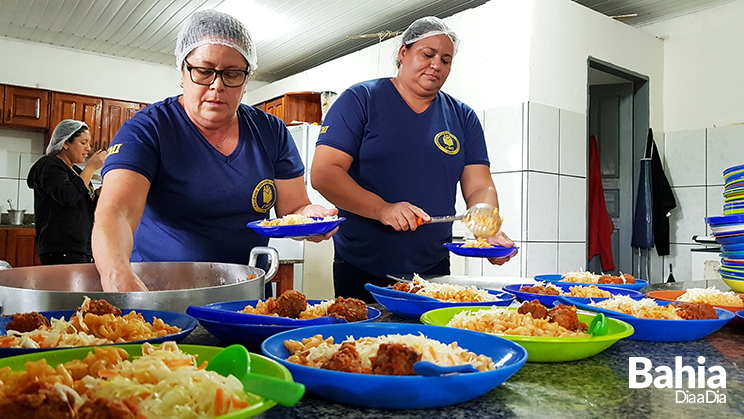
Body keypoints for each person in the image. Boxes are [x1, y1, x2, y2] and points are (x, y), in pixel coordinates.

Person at [92, 9, 336, 292]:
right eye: (204, 71)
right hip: (159, 294)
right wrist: (116, 275)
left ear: (246, 81)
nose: (217, 85)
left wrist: (311, 218)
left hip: (245, 294)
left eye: (232, 74)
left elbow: (292, 209)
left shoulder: (271, 132)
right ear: (182, 72)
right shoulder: (148, 130)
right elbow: (116, 212)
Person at [311, 16, 516, 302]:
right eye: (428, 54)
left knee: (432, 345)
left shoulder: (462, 117)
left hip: (432, 266)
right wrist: (382, 209)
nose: (436, 65)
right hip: (362, 263)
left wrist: (488, 228)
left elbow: (480, 186)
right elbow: (324, 173)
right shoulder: (361, 100)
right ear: (403, 53)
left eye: (446, 59)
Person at [27, 120, 106, 265]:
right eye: (83, 143)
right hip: (60, 250)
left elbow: (84, 204)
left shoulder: (76, 171)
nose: (88, 148)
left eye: (89, 144)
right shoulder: (49, 165)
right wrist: (91, 168)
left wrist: (100, 193)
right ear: (65, 143)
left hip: (81, 248)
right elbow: (66, 196)